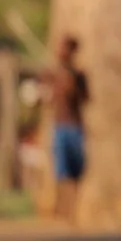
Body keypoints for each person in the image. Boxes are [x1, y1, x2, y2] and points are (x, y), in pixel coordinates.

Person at [47, 35, 90, 223]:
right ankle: (60, 208)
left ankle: (74, 210)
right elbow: (45, 99)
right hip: (59, 127)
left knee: (76, 171)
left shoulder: (79, 76)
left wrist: (73, 86)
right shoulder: (52, 75)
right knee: (61, 169)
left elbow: (87, 98)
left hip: (76, 127)